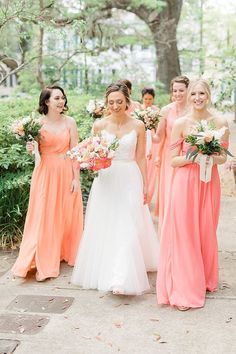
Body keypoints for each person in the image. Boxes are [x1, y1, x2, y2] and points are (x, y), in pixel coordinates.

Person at [71, 82, 158, 295]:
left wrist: (146, 185)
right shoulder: (99, 126)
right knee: (108, 223)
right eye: (111, 102)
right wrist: (92, 163)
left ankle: (121, 277)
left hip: (130, 177)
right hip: (107, 179)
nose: (115, 106)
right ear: (106, 103)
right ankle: (108, 271)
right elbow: (92, 155)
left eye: (120, 101)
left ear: (127, 101)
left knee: (127, 224)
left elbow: (140, 158)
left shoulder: (138, 125)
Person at [156, 79, 230, 310]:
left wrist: (209, 156)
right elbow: (173, 160)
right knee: (184, 233)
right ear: (189, 97)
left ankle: (205, 277)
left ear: (208, 95)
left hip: (208, 183)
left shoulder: (220, 122)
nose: (198, 98)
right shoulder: (180, 123)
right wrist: (194, 157)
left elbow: (223, 157)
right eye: (194, 94)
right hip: (184, 183)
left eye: (202, 94)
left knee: (205, 230)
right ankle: (184, 288)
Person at [12, 86, 83, 281]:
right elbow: (35, 152)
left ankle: (63, 251)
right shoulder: (37, 124)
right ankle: (42, 257)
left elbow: (75, 152)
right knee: (45, 214)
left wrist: (76, 179)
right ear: (46, 102)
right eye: (57, 98)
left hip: (66, 169)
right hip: (45, 172)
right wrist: (31, 147)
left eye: (63, 98)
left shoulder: (70, 122)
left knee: (65, 213)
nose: (61, 101)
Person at [154, 76, 190, 233]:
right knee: (170, 195)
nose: (177, 93)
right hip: (169, 158)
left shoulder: (193, 111)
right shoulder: (166, 110)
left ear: (188, 91)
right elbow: (158, 137)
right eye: (175, 90)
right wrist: (146, 128)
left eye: (181, 90)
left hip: (188, 158)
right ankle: (168, 232)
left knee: (184, 197)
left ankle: (183, 231)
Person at [140, 87, 159, 201]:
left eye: (150, 99)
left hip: (153, 141)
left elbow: (158, 129)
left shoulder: (156, 111)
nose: (148, 101)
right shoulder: (138, 110)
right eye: (146, 99)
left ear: (153, 99)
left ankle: (149, 196)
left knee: (151, 171)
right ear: (142, 98)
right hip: (142, 140)